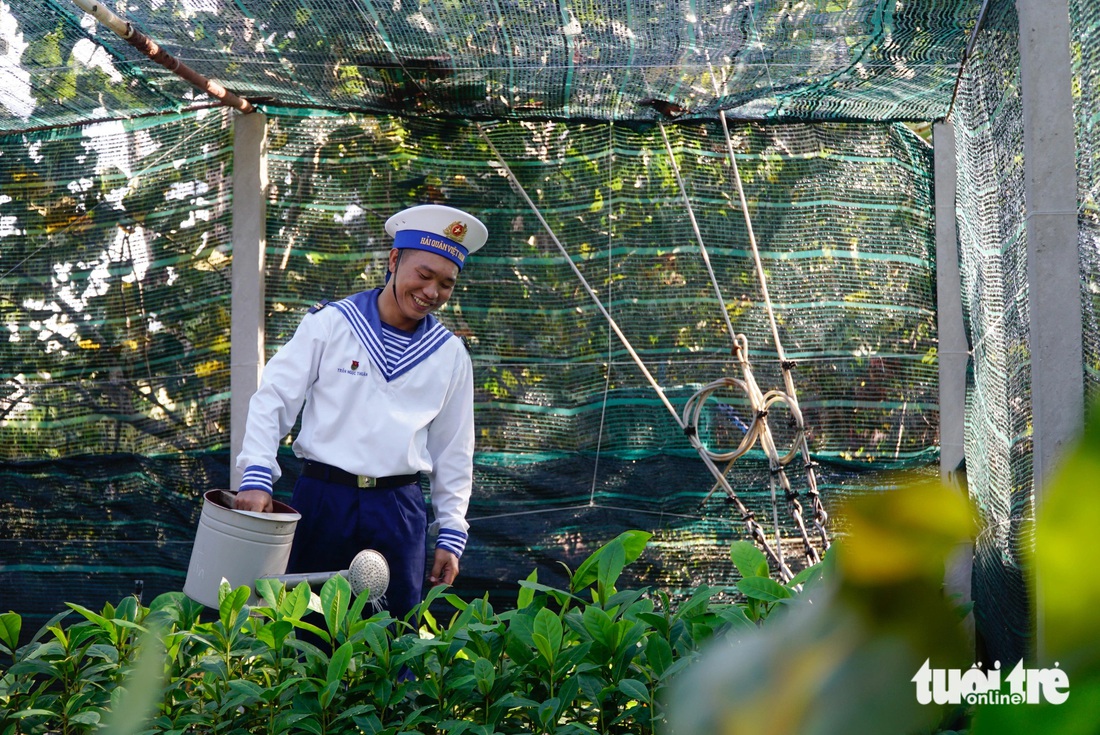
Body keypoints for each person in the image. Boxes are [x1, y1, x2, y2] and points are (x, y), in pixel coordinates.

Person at [232, 204, 486, 623]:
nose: (432, 292)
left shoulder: (451, 355)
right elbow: (274, 398)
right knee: (306, 636)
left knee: (392, 643)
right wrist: (257, 472)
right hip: (321, 502)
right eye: (423, 275)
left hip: (399, 512)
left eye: (446, 283)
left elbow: (454, 451)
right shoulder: (332, 324)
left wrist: (451, 532)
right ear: (393, 260)